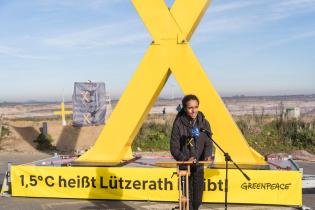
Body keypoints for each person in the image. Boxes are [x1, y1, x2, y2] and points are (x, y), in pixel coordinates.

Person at [170, 94, 213, 210]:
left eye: (196, 107)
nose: (194, 110)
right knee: (187, 201)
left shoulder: (204, 123)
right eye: (190, 108)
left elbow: (208, 143)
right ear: (184, 108)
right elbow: (174, 148)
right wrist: (185, 159)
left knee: (197, 200)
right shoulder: (178, 124)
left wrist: (208, 155)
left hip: (199, 167)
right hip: (185, 168)